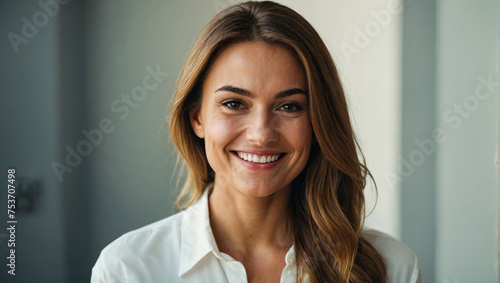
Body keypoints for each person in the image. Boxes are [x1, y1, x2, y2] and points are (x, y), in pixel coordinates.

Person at [91, 1, 423, 282]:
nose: (261, 133)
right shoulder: (128, 268)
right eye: (234, 104)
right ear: (197, 118)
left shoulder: (391, 267)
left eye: (289, 106)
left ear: (319, 122)